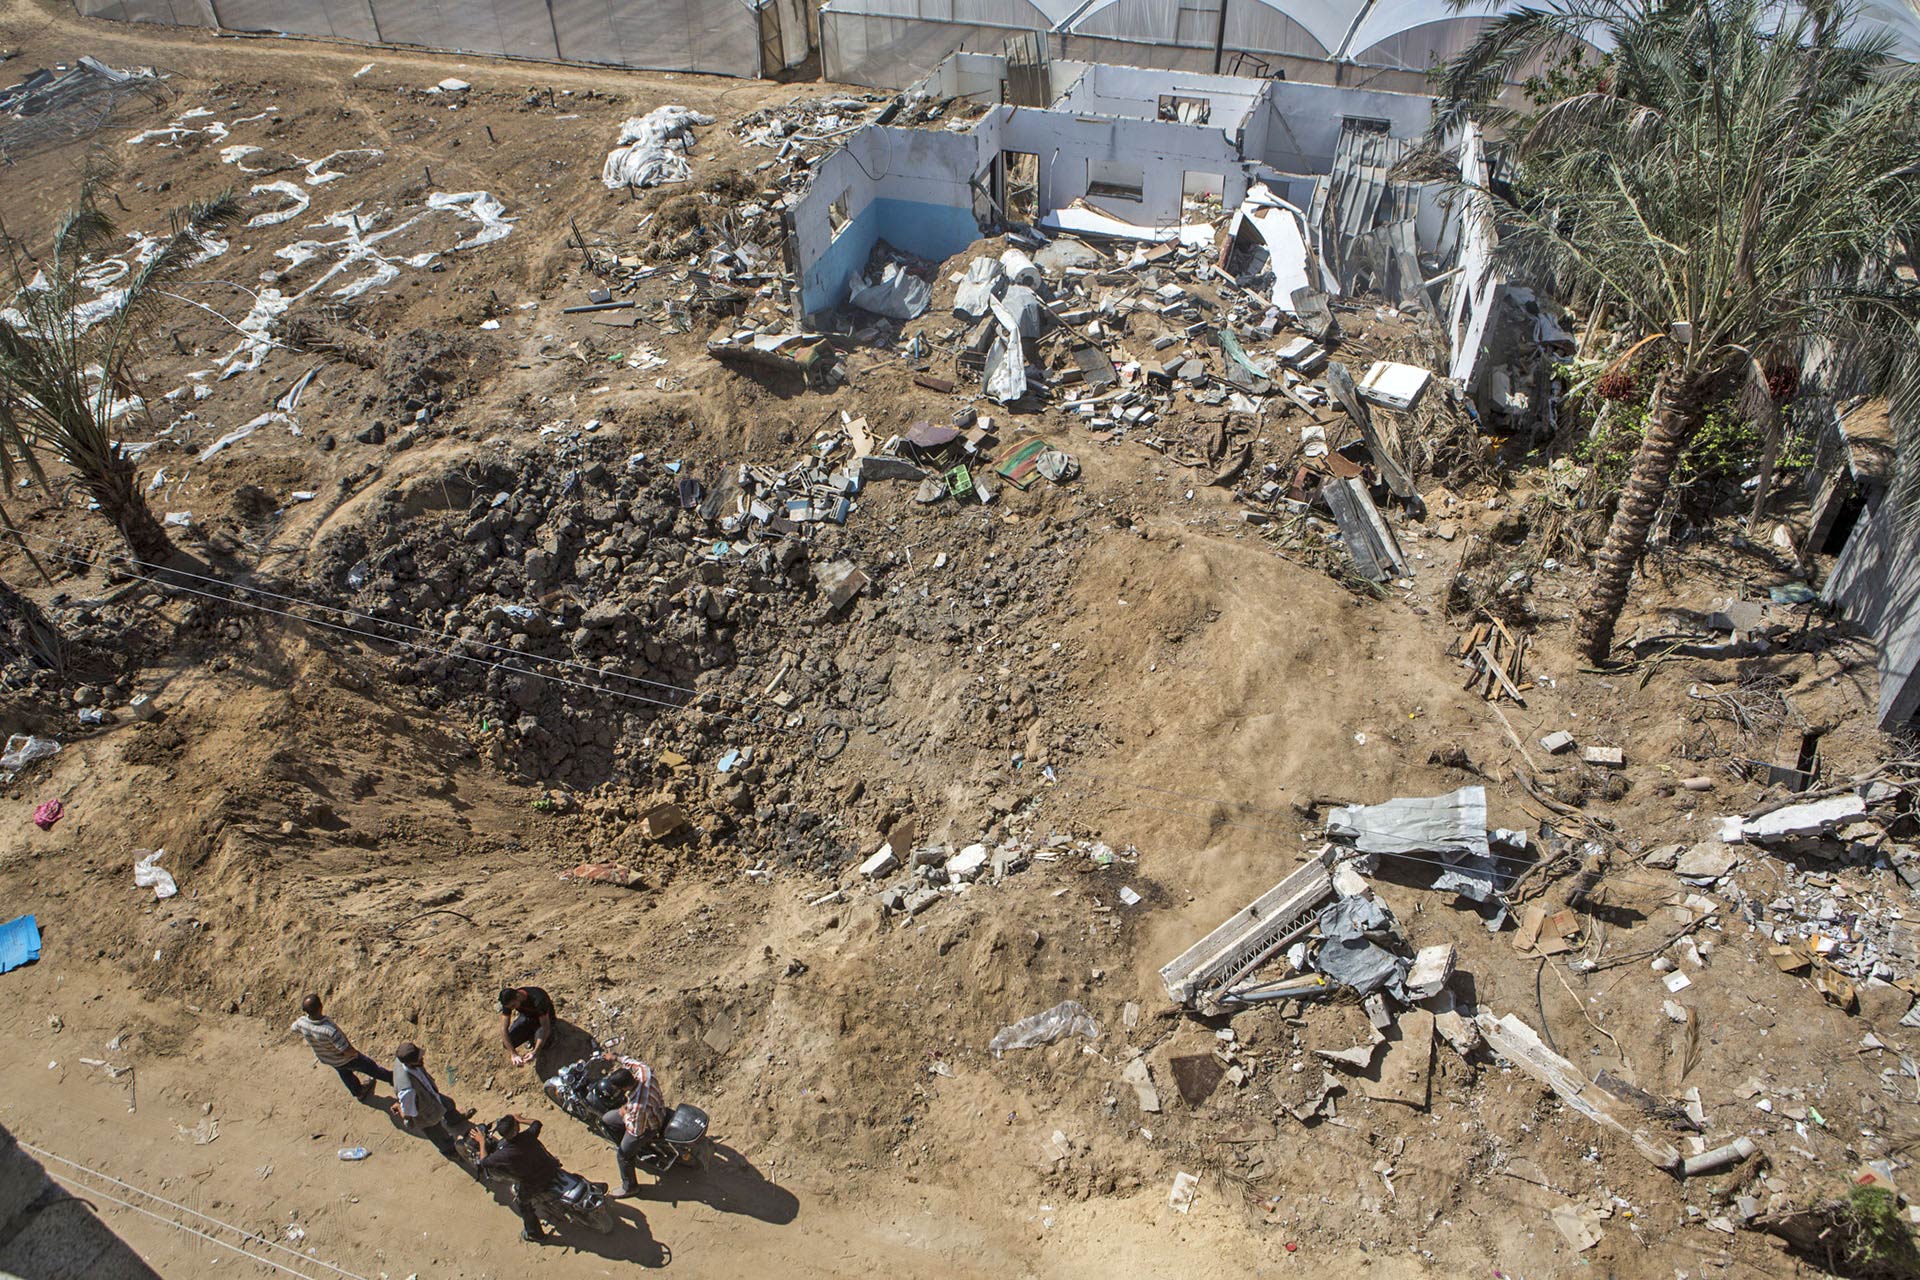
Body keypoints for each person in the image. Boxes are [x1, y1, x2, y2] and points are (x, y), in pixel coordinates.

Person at [478, 1114, 562, 1243]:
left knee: (523, 1204)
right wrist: (521, 1119)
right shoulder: (528, 1136)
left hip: (534, 1184)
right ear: (517, 1128)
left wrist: (482, 1142)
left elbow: (484, 1162)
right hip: (552, 1167)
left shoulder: (503, 1155)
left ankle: (535, 1234)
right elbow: (536, 1122)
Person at [291, 995, 392, 1100]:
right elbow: (346, 1049)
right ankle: (392, 1078)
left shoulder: (301, 1022)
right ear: (320, 1007)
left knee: (345, 1074)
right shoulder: (329, 1030)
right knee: (370, 1067)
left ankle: (358, 1092)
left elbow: (293, 1028)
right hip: (345, 1058)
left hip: (328, 1059)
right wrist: (355, 1054)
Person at [595, 1052, 667, 1198]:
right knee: (608, 1118)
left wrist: (624, 1113)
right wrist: (614, 1057)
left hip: (650, 1125)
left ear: (624, 1089)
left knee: (622, 1155)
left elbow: (636, 1130)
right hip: (658, 1106)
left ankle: (630, 1187)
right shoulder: (644, 1071)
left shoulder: (636, 1106)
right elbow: (630, 1061)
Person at [389, 1041, 466, 1164]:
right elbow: (410, 1112)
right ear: (410, 1062)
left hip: (431, 1096)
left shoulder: (406, 1061)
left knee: (449, 1105)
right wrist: (399, 1107)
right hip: (426, 1115)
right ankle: (451, 1153)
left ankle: (454, 1121)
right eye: (419, 1058)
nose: (422, 1058)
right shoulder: (406, 1089)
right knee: (440, 1137)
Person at [497, 986, 556, 1066]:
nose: (512, 1009)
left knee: (546, 1043)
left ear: (518, 996)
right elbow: (503, 1028)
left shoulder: (538, 999)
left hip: (545, 1019)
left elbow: (545, 1028)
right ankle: (532, 1036)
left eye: (513, 1006)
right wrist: (513, 1053)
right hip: (527, 1018)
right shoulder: (508, 1001)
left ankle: (538, 1037)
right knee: (508, 1042)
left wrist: (535, 1052)